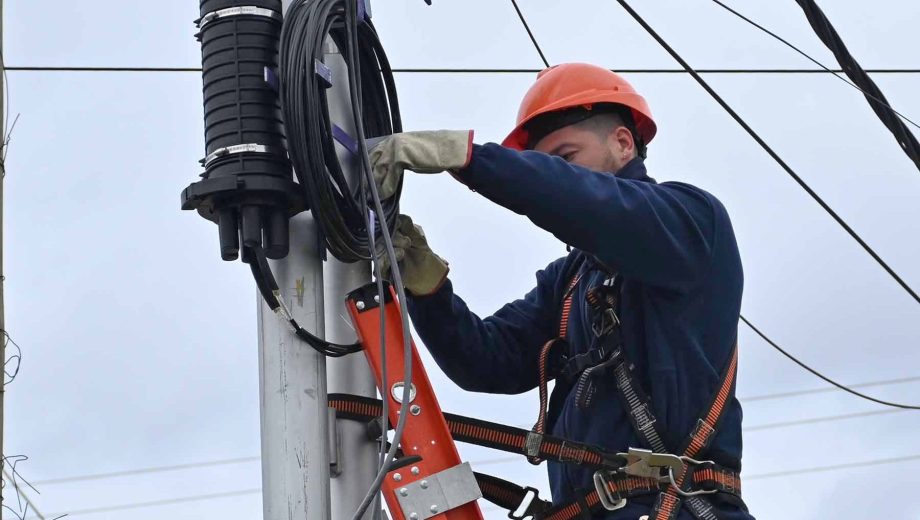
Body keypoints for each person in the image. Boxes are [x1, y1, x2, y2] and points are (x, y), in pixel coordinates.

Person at [369, 62, 753, 519]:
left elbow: (590, 204)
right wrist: (427, 288)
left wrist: (471, 158)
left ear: (623, 142)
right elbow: (485, 361)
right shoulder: (571, 281)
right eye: (542, 165)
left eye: (565, 158)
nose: (551, 177)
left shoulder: (691, 223)